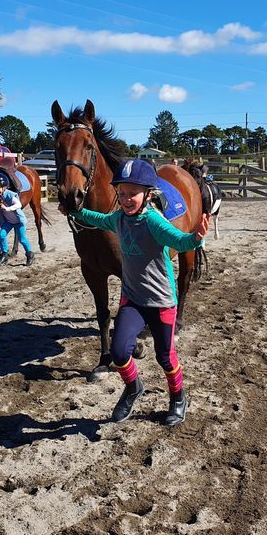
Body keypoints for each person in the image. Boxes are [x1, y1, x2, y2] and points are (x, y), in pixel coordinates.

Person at [63, 158, 209, 426]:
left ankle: (178, 398)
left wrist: (196, 238)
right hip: (133, 300)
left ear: (148, 194)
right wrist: (74, 211)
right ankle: (133, 388)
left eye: (133, 193)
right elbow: (99, 218)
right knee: (119, 352)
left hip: (162, 301)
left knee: (166, 358)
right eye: (122, 193)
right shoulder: (119, 219)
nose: (126, 198)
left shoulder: (154, 221)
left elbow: (179, 240)